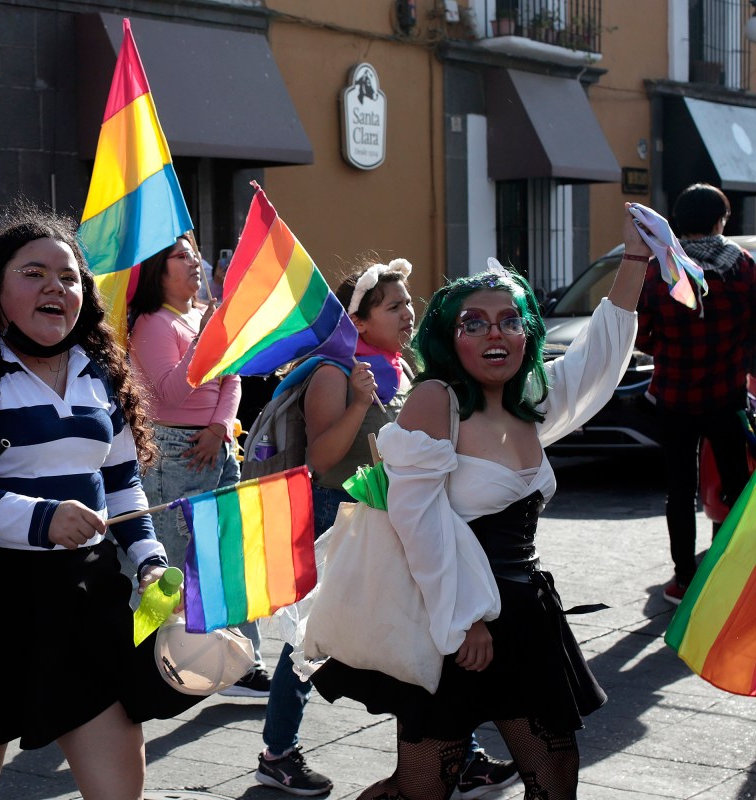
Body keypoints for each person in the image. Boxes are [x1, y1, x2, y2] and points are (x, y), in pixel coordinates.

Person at [310, 205, 650, 800]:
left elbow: (597, 360)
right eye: (474, 323)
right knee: (422, 788)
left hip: (525, 616)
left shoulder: (530, 399)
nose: (495, 332)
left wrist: (638, 259)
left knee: (555, 775)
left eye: (509, 320)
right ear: (449, 337)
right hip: (455, 617)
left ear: (527, 333)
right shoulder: (435, 400)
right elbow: (418, 520)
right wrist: (463, 618)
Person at [0, 203, 169, 800]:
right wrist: (41, 519)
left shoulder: (102, 375)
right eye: (34, 273)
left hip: (86, 596)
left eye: (69, 277)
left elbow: (122, 482)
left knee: (121, 788)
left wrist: (148, 557)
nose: (56, 287)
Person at [257, 260, 516, 797]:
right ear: (360, 318)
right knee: (310, 638)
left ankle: (457, 755)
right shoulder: (333, 370)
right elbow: (323, 458)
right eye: (394, 306)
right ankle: (277, 753)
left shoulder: (404, 365)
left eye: (409, 303)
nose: (409, 313)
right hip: (340, 515)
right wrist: (356, 400)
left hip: (396, 514)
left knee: (429, 623)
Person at [128, 233, 270, 697]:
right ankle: (139, 659)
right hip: (173, 450)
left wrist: (221, 427)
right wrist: (206, 338)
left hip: (217, 445)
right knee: (163, 568)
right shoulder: (153, 323)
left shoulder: (199, 318)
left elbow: (233, 376)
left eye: (195, 254)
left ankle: (238, 661)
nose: (194, 262)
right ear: (156, 271)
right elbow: (169, 392)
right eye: (180, 255)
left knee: (226, 557)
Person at [636, 183, 756, 605]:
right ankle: (736, 574)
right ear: (721, 221)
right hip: (727, 398)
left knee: (680, 491)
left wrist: (670, 348)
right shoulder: (742, 266)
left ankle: (684, 579)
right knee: (738, 490)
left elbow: (642, 334)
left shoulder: (659, 269)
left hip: (675, 400)